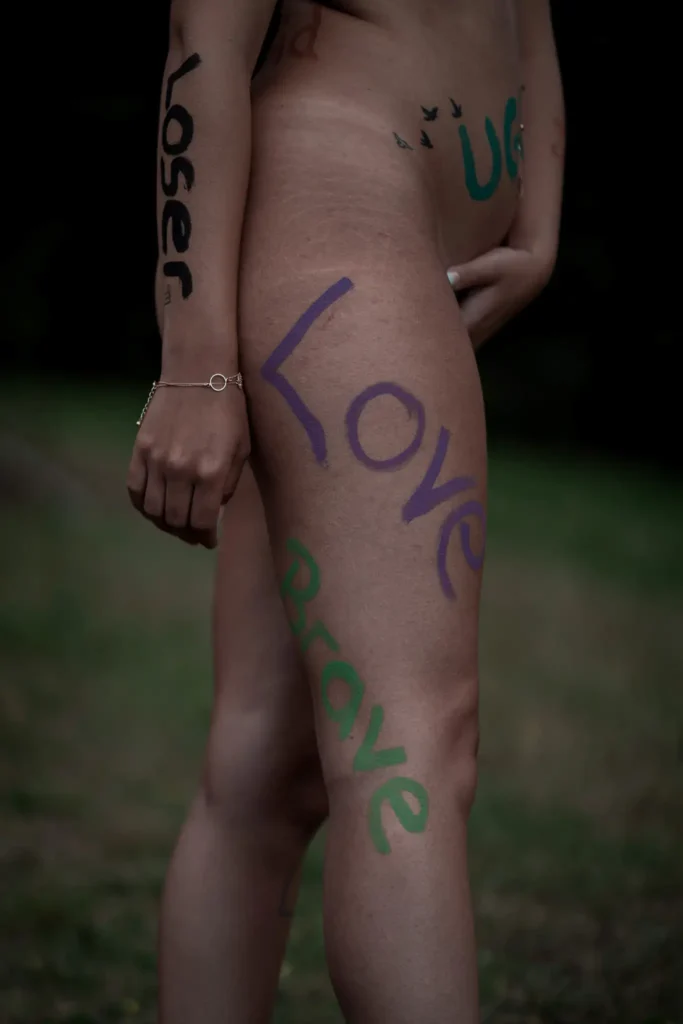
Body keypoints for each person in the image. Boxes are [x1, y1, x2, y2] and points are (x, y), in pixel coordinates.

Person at [127, 0, 564, 1020]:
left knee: (267, 762)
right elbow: (205, 36)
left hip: (383, 231)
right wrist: (195, 364)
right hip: (339, 209)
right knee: (412, 743)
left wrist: (538, 218)